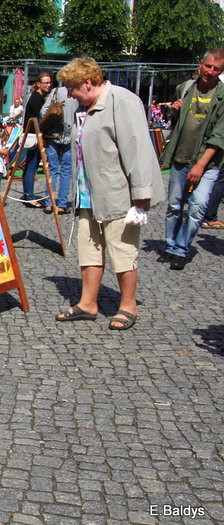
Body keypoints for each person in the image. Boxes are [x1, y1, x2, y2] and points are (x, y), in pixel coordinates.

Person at [54, 56, 164, 331]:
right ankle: (88, 303)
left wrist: (140, 196)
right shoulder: (86, 108)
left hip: (117, 194)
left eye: (71, 87)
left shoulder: (121, 101)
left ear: (88, 83)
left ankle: (128, 305)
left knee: (122, 251)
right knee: (89, 250)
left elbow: (136, 148)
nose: (69, 94)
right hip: (87, 193)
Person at [160, 49, 224, 270]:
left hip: (207, 163)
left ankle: (181, 248)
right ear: (200, 64)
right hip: (181, 156)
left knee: (197, 207)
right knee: (174, 205)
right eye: (208, 66)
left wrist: (200, 165)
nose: (210, 72)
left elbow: (219, 136)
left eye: (216, 69)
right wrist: (175, 111)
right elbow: (177, 124)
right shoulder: (186, 88)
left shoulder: (222, 95)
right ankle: (170, 246)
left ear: (221, 71)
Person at [40, 85, 78, 214]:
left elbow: (43, 111)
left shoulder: (56, 91)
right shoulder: (79, 92)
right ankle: (62, 204)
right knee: (66, 170)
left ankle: (49, 203)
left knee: (52, 169)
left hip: (53, 134)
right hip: (71, 134)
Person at [19, 73, 52, 207]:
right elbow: (40, 118)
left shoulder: (38, 97)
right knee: (32, 165)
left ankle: (29, 195)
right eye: (45, 82)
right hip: (35, 136)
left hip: (34, 135)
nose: (48, 85)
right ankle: (29, 197)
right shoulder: (37, 98)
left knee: (31, 165)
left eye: (49, 82)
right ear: (38, 84)